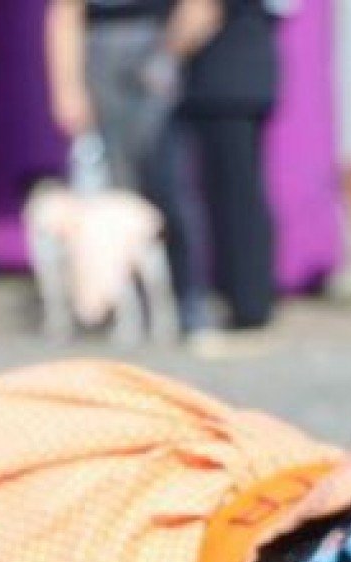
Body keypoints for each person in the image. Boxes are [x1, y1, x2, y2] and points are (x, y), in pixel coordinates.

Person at [45, 0, 221, 333]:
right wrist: (67, 89)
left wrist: (168, 54)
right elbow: (65, 14)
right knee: (115, 194)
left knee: (171, 187)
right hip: (100, 49)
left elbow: (200, 9)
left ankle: (188, 298)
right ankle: (121, 305)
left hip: (158, 43)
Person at [178, 0, 282, 337]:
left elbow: (201, 11)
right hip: (250, 73)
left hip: (222, 80)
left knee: (232, 201)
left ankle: (246, 303)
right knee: (245, 196)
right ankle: (252, 299)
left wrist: (160, 54)